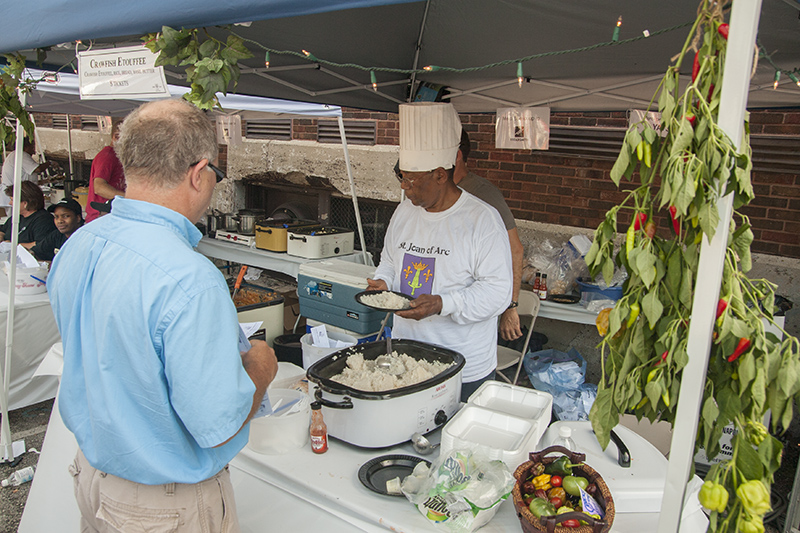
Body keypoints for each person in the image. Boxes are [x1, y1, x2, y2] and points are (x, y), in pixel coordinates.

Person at [48, 99, 278, 532]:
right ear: (198, 172)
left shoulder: (80, 243)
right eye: (213, 175)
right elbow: (218, 425)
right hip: (160, 504)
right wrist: (261, 367)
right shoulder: (189, 278)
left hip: (92, 476)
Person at [368, 102, 513, 401]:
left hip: (461, 365)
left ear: (439, 175)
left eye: (411, 179)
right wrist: (383, 281)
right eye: (402, 177)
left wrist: (442, 304)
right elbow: (390, 261)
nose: (405, 188)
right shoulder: (405, 212)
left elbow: (498, 292)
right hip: (406, 358)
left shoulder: (482, 220)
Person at [84, 119, 125, 222]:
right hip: (100, 216)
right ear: (116, 137)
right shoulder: (107, 156)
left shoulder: (119, 156)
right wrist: (129, 198)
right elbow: (99, 187)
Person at [0, 135, 51, 211]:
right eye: (32, 148)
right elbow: (38, 169)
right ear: (26, 147)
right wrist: (49, 163)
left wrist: (46, 181)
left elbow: (25, 178)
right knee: (15, 219)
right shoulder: (21, 154)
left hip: (15, 193)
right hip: (14, 194)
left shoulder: (16, 155)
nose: (34, 152)